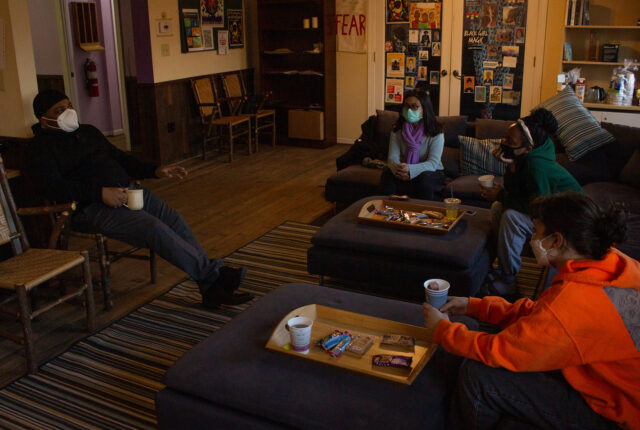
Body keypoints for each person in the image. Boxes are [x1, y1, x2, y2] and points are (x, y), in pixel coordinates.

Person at [422, 192, 639, 429]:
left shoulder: (572, 302)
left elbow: (501, 350)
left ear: (556, 241)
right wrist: (476, 306)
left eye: (536, 232)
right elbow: (544, 317)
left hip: (620, 415)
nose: (531, 239)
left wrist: (443, 330)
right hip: (619, 385)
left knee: (479, 377)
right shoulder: (613, 262)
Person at [25, 90, 253, 309]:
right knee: (153, 228)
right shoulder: (40, 148)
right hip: (92, 208)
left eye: (69, 106)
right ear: (44, 119)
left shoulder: (88, 132)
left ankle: (211, 287)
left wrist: (156, 170)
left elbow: (121, 158)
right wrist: (100, 193)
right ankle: (213, 276)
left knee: (172, 218)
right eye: (59, 110)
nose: (68, 112)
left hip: (129, 191)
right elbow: (54, 188)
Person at [480, 108, 582, 296]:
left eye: (510, 141)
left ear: (528, 148)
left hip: (569, 220)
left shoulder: (537, 166)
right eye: (505, 137)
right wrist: (510, 165)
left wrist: (501, 195)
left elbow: (537, 206)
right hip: (547, 209)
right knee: (497, 208)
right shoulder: (525, 156)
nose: (504, 143)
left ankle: (509, 278)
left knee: (512, 217)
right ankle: (500, 265)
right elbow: (515, 192)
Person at [379, 90, 445, 200]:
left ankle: (423, 213)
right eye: (407, 106)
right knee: (387, 172)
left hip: (432, 171)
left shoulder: (436, 132)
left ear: (424, 109)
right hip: (403, 169)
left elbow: (433, 163)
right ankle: (386, 210)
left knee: (425, 177)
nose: (409, 110)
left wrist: (410, 169)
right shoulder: (397, 129)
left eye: (415, 106)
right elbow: (392, 158)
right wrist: (400, 170)